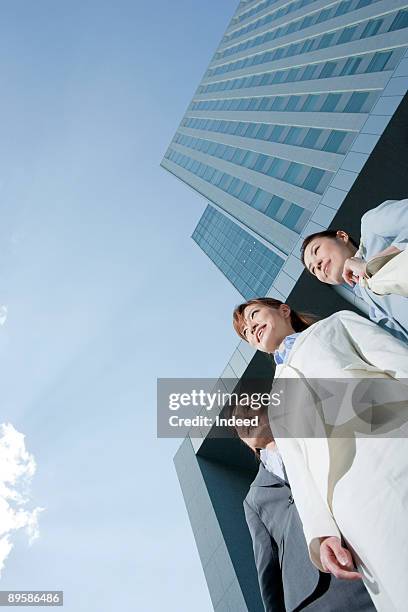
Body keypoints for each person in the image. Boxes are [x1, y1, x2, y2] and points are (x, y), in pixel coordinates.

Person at [233, 298, 408, 612]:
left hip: (393, 451)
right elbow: (300, 473)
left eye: (255, 315)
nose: (252, 328)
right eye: (246, 331)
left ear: (283, 310)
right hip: (353, 505)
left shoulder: (337, 324)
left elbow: (400, 364)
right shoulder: (276, 400)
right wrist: (320, 534)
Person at [232, 401, 375, 611]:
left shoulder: (313, 441)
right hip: (308, 600)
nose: (245, 421)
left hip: (360, 565)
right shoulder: (253, 499)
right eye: (238, 424)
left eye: (248, 411)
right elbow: (267, 566)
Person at [301, 199, 408, 343]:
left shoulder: (371, 225)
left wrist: (370, 265)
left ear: (342, 237)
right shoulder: (375, 313)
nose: (317, 264)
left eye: (316, 250)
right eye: (314, 270)